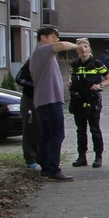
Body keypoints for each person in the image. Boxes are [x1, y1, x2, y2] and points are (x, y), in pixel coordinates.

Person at [29, 26, 78, 181]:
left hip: (43, 100)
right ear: (43, 38)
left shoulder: (42, 55)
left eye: (57, 38)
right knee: (57, 134)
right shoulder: (42, 51)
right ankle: (54, 169)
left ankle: (45, 167)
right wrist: (78, 45)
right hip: (50, 101)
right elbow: (62, 46)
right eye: (52, 37)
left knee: (46, 135)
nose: (55, 41)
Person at [68, 37, 109, 168]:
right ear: (77, 50)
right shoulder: (74, 65)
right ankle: (82, 156)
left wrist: (99, 85)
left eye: (85, 47)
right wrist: (70, 82)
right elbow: (71, 78)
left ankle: (98, 156)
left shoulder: (96, 63)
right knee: (80, 130)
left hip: (92, 99)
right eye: (80, 47)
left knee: (94, 128)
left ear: (89, 49)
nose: (83, 50)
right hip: (78, 99)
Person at [14, 59, 40, 170]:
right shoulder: (33, 61)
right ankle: (31, 160)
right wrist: (35, 85)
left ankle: (41, 157)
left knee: (42, 129)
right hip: (30, 99)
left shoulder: (51, 60)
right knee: (31, 129)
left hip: (44, 100)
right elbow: (19, 78)